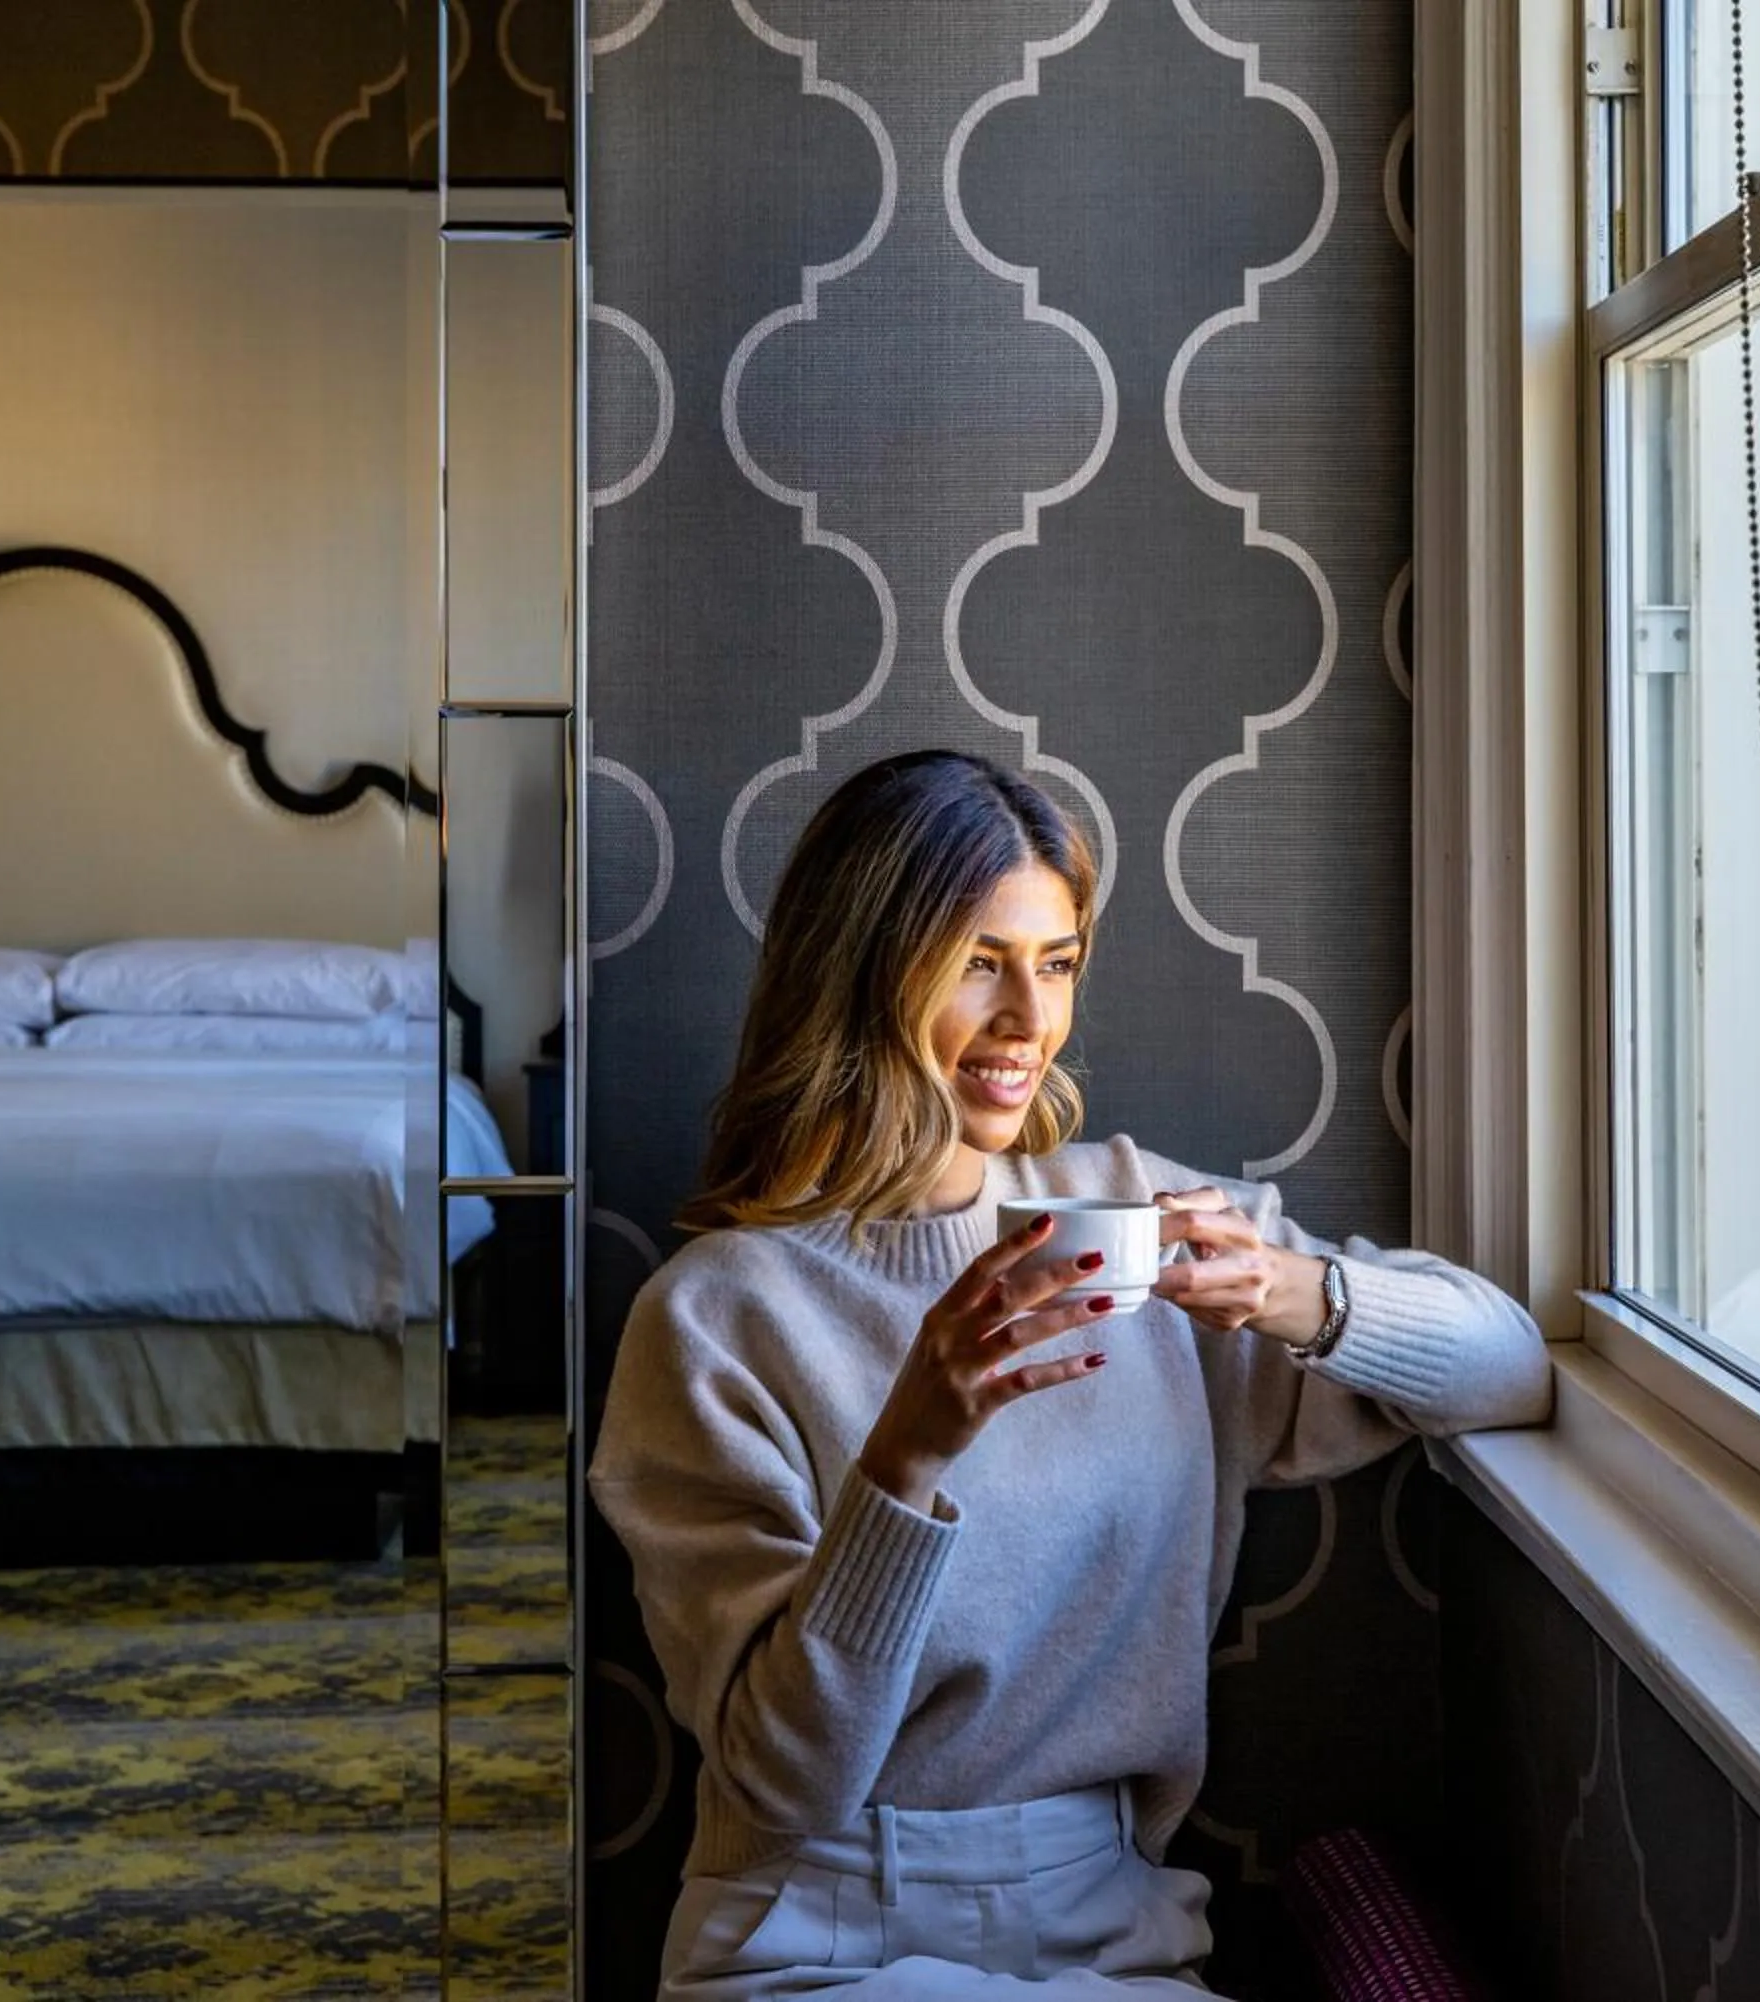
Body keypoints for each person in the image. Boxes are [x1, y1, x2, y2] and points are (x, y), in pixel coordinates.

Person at [590, 750, 1553, 1999]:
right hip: (814, 1930)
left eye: (1055, 966)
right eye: (980, 962)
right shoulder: (718, 1315)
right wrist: (908, 1450)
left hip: (1111, 1926)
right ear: (863, 970)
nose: (1028, 1024)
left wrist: (1286, 1293)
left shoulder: (1133, 1227)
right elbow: (787, 1779)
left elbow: (1510, 1364)